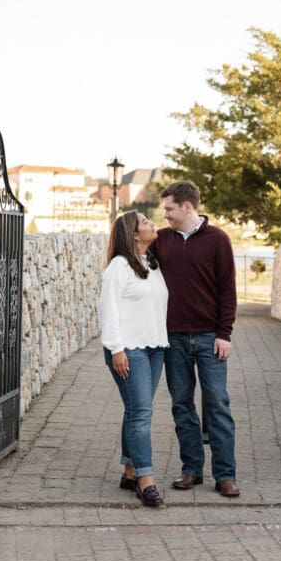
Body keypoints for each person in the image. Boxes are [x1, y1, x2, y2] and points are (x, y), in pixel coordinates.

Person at [152, 180, 240, 497]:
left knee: (217, 404)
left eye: (170, 209)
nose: (166, 215)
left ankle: (225, 475)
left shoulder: (218, 240)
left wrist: (224, 334)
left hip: (209, 338)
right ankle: (191, 470)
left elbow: (227, 290)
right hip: (172, 339)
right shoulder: (160, 240)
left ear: (187, 207)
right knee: (182, 405)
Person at [99, 210, 169, 508]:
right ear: (134, 234)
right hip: (128, 349)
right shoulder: (119, 267)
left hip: (154, 347)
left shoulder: (150, 264)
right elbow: (108, 310)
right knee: (141, 412)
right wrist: (116, 349)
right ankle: (146, 480)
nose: (152, 223)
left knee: (137, 410)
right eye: (145, 222)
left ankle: (129, 472)